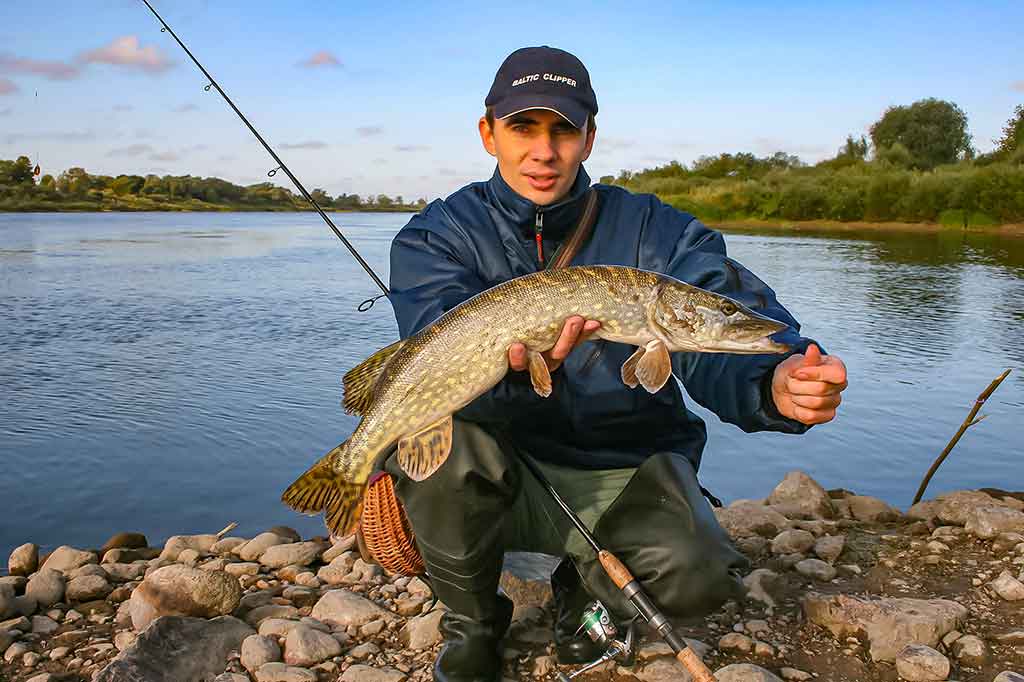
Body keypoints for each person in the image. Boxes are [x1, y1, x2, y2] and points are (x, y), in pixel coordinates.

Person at [384, 46, 848, 682]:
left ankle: (584, 592)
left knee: (702, 574)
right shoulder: (436, 236)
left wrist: (774, 380)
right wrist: (520, 374)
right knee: (439, 443)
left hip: (621, 467)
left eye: (563, 130)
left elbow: (713, 317)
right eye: (523, 128)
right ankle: (474, 625)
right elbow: (432, 369)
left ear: (589, 137)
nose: (544, 152)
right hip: (501, 468)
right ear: (489, 133)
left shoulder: (658, 232)